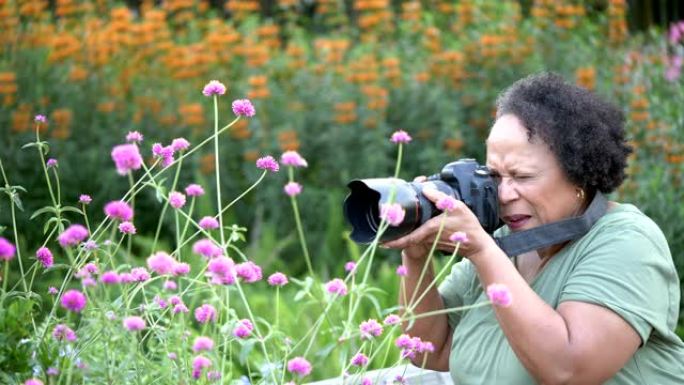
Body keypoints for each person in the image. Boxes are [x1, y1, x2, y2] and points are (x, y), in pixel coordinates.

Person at [383, 72, 684, 384]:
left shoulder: (627, 243)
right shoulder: (503, 243)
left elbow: (568, 371)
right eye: (495, 176)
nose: (503, 194)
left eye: (522, 177)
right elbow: (430, 350)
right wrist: (416, 255)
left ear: (578, 176)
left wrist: (484, 253)